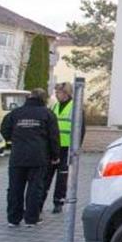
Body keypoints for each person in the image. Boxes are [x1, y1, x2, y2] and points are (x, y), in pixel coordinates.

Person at [0, 87, 59, 228]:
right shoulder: (48, 114)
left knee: (15, 188)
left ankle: (13, 219)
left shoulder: (15, 113)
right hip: (38, 157)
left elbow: (4, 131)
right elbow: (54, 137)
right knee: (35, 188)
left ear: (30, 97)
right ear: (44, 99)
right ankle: (32, 219)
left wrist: (14, 139)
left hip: (17, 156)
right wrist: (55, 155)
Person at [43, 82, 84, 214]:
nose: (56, 94)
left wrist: (76, 147)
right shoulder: (54, 106)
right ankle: (39, 201)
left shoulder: (75, 108)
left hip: (66, 148)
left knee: (62, 177)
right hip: (53, 147)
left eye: (58, 92)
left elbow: (81, 129)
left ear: (66, 93)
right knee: (46, 175)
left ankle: (58, 202)